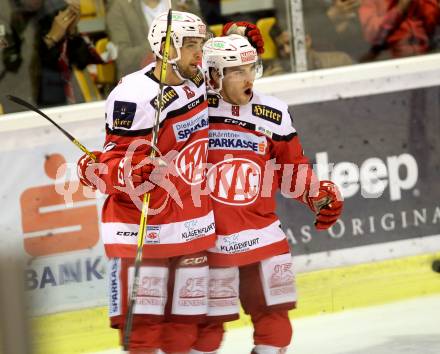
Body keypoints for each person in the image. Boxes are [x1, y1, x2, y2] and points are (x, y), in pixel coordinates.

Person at [192, 34, 344, 354]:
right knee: (204, 328)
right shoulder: (190, 111)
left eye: (252, 68)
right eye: (237, 71)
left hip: (262, 236)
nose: (249, 78)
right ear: (214, 75)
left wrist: (316, 195)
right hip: (209, 240)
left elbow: (294, 170)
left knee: (275, 320)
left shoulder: (273, 112)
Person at [77, 11, 215, 354]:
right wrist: (127, 173)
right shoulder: (134, 96)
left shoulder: (198, 79)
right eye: (192, 46)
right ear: (166, 48)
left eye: (203, 45)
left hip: (189, 226)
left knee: (185, 332)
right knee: (141, 332)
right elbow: (110, 165)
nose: (200, 54)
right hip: (140, 230)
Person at [106, 0, 202, 78]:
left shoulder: (181, 3)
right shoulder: (119, 8)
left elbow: (205, 37)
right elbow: (124, 59)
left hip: (189, 78)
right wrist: (161, 40)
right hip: (144, 83)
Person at [359, 0, 440, 59]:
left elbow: (433, 24)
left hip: (428, 58)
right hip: (391, 62)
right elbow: (372, 35)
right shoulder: (372, 2)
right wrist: (400, 9)